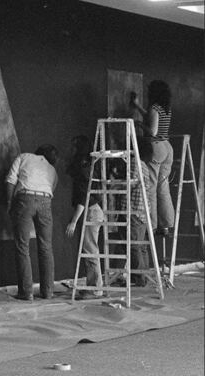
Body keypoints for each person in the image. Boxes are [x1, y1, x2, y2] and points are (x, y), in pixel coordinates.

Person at [6, 144, 58, 301]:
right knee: (46, 247)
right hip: (45, 201)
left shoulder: (24, 157)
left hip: (25, 199)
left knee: (22, 246)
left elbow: (10, 180)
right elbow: (52, 189)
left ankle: (26, 292)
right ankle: (48, 292)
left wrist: (9, 202)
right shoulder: (52, 169)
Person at [131, 80, 174, 236]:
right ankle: (167, 225)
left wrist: (139, 125)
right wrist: (137, 107)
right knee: (163, 188)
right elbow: (151, 117)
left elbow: (153, 131)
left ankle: (152, 225)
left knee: (151, 187)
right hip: (167, 147)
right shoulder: (164, 108)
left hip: (156, 146)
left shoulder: (155, 108)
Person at [65, 135, 104, 299]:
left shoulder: (83, 169)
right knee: (90, 249)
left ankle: (95, 289)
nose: (71, 149)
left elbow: (83, 197)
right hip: (94, 210)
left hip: (91, 210)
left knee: (90, 250)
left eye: (74, 146)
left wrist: (73, 221)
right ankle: (94, 286)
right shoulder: (89, 165)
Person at [113, 140, 154, 287]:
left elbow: (130, 182)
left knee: (134, 245)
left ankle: (139, 278)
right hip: (141, 211)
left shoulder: (135, 163)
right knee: (140, 246)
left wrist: (112, 184)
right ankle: (142, 277)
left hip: (133, 210)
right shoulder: (143, 165)